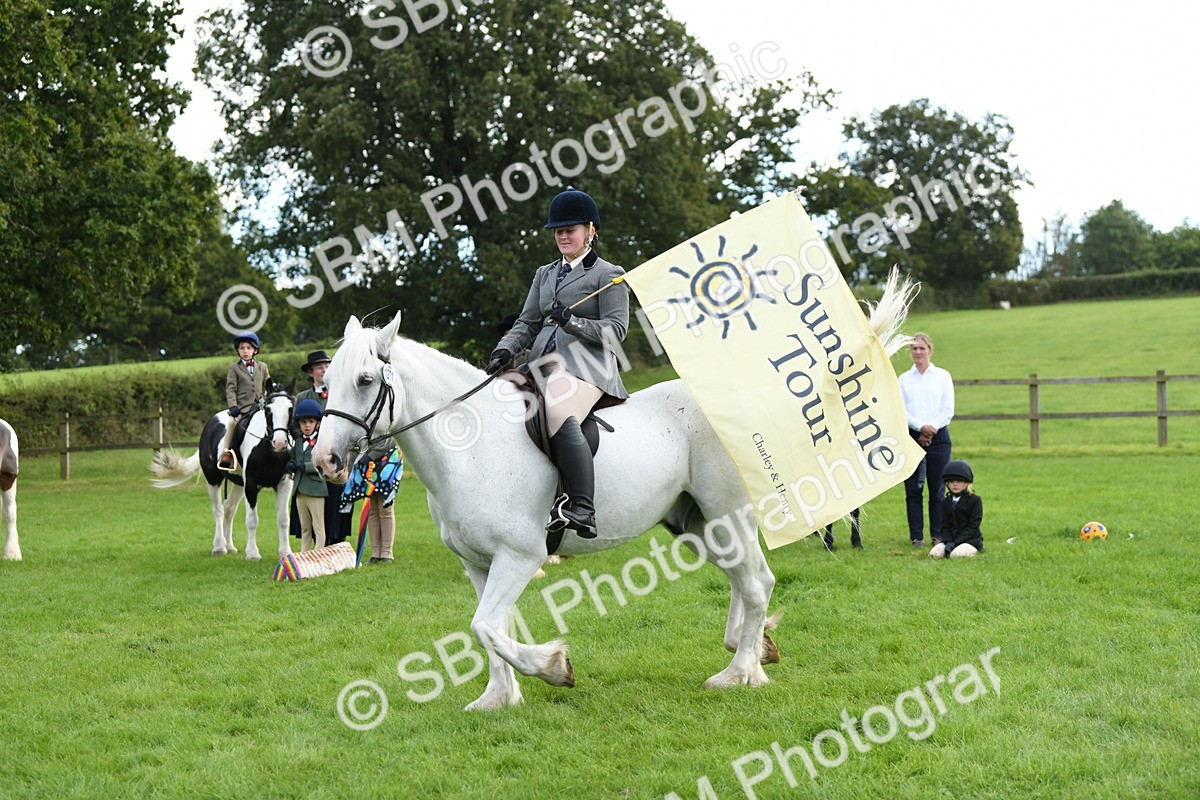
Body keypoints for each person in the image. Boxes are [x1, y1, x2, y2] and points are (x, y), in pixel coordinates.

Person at [484, 187, 630, 540]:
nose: (563, 236)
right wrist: (504, 351)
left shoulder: (609, 274)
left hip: (587, 369)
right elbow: (527, 323)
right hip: (540, 367)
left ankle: (582, 506)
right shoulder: (545, 274)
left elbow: (616, 331)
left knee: (558, 411)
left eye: (571, 229)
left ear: (590, 231)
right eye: (558, 230)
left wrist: (572, 322)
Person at [291, 350, 353, 545]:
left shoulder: (340, 394)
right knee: (311, 504)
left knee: (337, 498)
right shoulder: (302, 397)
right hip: (310, 459)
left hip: (336, 455)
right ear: (311, 372)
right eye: (319, 367)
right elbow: (294, 427)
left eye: (327, 366)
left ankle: (337, 539)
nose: (324, 370)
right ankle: (313, 544)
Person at [898, 332, 954, 547]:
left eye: (922, 348)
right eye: (914, 348)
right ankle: (916, 536)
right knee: (913, 489)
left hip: (938, 437)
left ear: (930, 350)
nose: (918, 352)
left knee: (937, 488)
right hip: (912, 437)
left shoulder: (942, 376)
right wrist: (920, 428)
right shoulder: (904, 379)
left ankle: (937, 534)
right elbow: (901, 410)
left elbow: (947, 408)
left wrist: (931, 429)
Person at [340, 448, 403, 563]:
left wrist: (369, 456)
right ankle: (375, 553)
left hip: (387, 461)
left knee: (385, 509)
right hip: (366, 465)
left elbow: (388, 441)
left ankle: (387, 553)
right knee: (372, 509)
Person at [218, 331, 270, 471]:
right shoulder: (234, 368)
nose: (245, 351)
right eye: (242, 348)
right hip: (242, 408)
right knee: (231, 423)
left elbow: (268, 385)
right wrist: (233, 406)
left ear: (255, 350)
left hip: (259, 407)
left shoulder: (263, 367)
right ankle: (226, 453)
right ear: (238, 351)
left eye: (248, 348)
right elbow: (231, 389)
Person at [287, 399, 328, 550]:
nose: (307, 425)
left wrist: (303, 466)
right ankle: (305, 554)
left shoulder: (322, 441)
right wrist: (291, 465)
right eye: (303, 422)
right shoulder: (298, 441)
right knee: (305, 527)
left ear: (317, 423)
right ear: (299, 423)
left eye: (311, 421)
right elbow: (294, 458)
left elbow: (323, 463)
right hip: (299, 489)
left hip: (316, 489)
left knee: (318, 527)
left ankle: (318, 554)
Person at [930, 460, 983, 558]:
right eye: (951, 481)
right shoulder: (945, 502)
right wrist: (948, 541)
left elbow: (973, 526)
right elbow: (944, 525)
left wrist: (956, 542)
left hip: (969, 540)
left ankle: (976, 550)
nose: (954, 484)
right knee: (935, 554)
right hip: (950, 540)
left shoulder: (975, 501)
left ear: (967, 483)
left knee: (956, 555)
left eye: (958, 481)